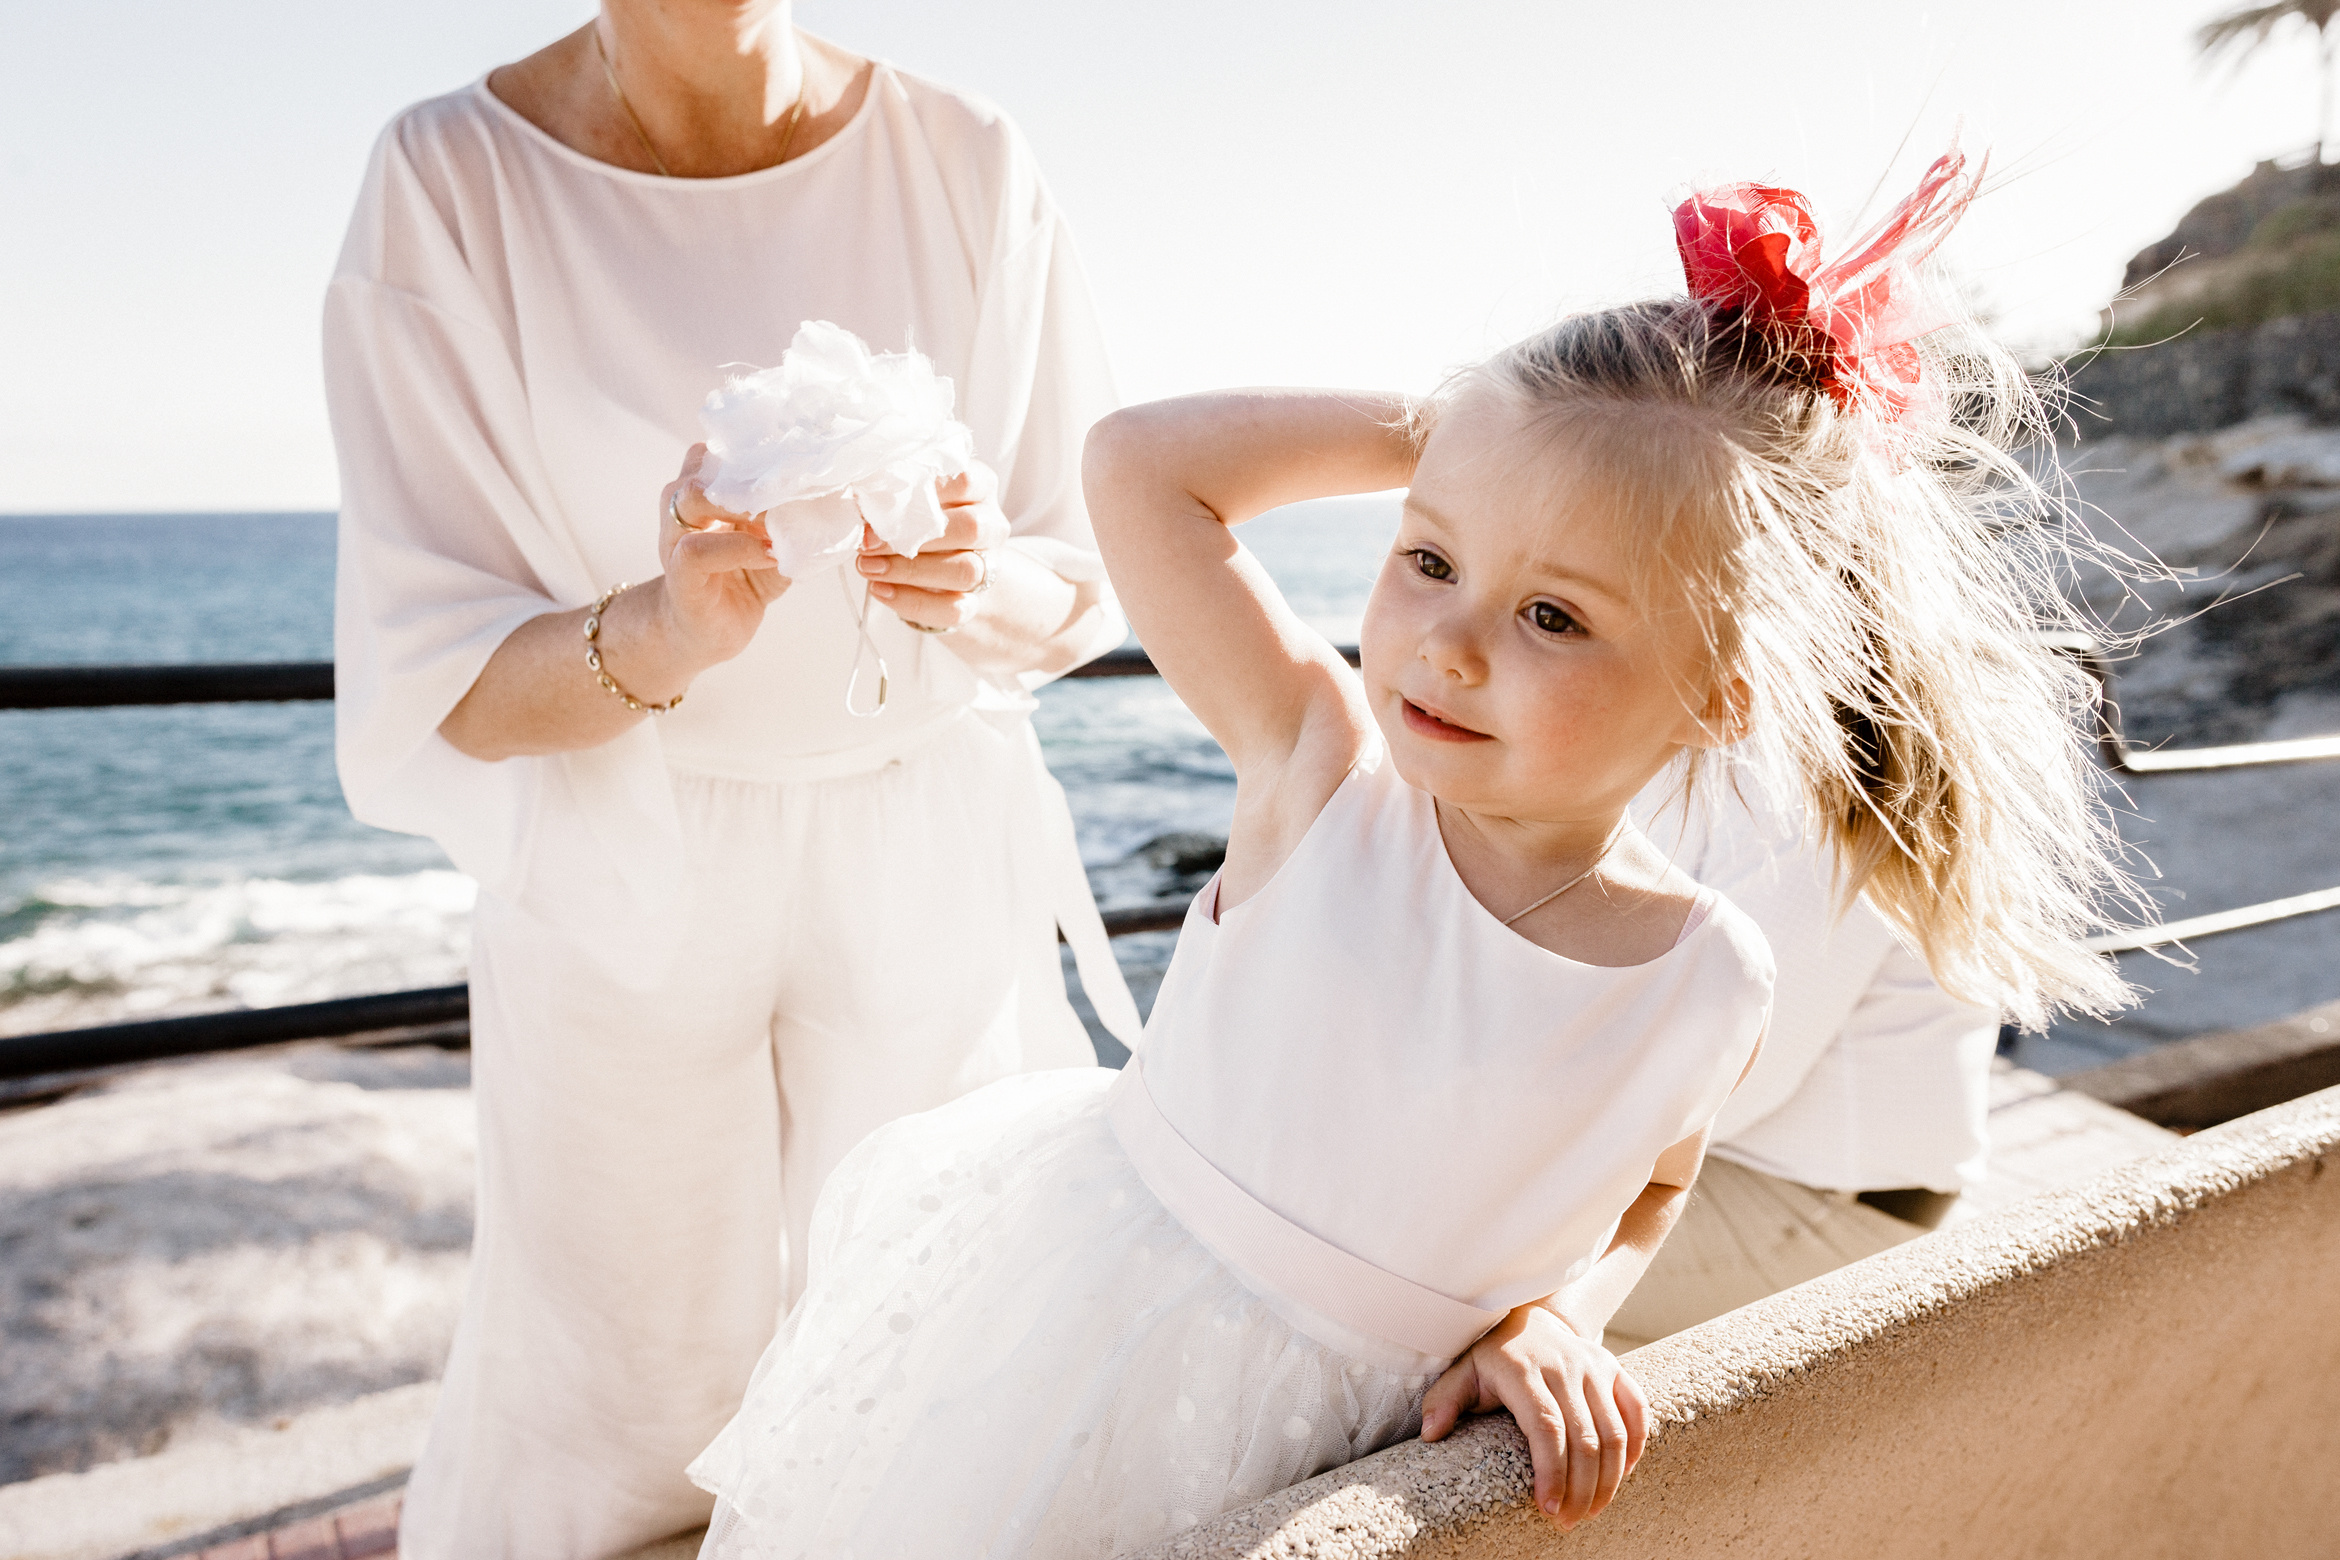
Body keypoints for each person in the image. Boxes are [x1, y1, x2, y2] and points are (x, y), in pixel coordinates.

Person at [681, 152, 2134, 1557]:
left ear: (1723, 692)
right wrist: (1475, 423)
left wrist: (1557, 1314)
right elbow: (1139, 464)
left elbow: (1649, 1187)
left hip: (1359, 1447)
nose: (1445, 642)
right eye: (1430, 558)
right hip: (1080, 1361)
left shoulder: (1701, 974)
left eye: (1553, 616)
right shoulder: (1321, 773)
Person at [322, 5, 1136, 1554]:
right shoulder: (449, 179)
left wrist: (959, 579)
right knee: (615, 1425)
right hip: (620, 856)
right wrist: (665, 627)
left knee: (940, 1382)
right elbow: (445, 684)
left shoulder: (965, 157)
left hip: (927, 849)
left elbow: (1075, 578)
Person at [1604, 782, 1998, 1350]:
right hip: (1744, 1174)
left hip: (1824, 1211)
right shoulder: (1739, 770)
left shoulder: (1817, 810)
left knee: (1466, 1263)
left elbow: (1726, 1084)